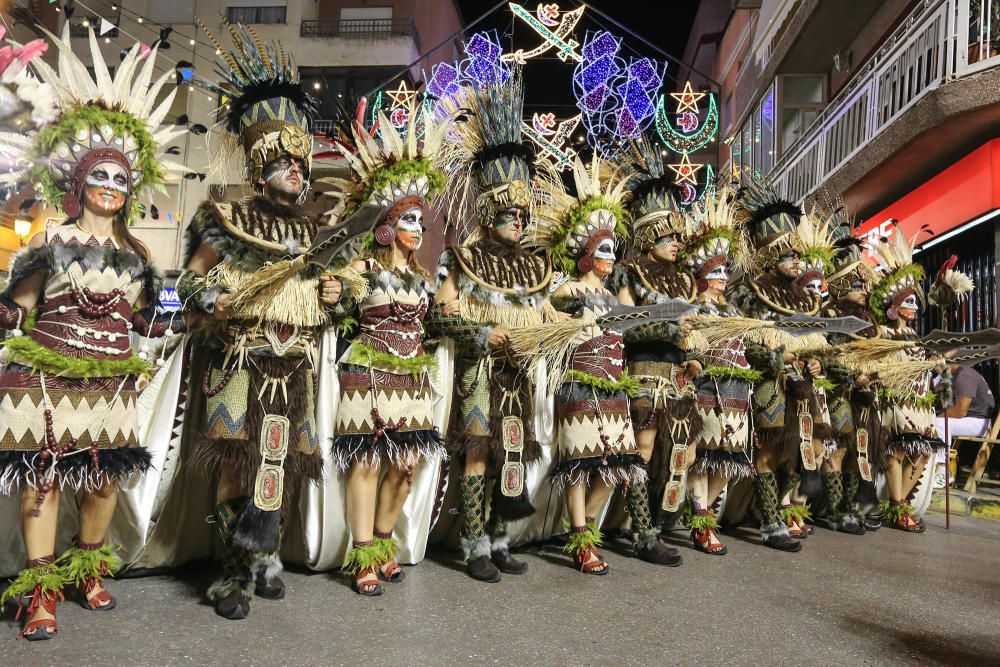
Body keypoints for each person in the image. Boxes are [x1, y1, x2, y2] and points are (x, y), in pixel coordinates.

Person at [0, 28, 181, 640]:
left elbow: (145, 322)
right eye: (99, 177)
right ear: (79, 181)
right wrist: (6, 315)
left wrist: (175, 313)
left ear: (131, 191)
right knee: (43, 481)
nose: (110, 188)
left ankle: (87, 567)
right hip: (46, 378)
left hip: (110, 381)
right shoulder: (48, 241)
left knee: (103, 480)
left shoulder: (136, 255)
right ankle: (41, 589)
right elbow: (18, 306)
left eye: (120, 181)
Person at [176, 27, 340, 619]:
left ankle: (265, 554)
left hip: (295, 363)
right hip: (239, 360)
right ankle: (230, 573)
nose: (296, 170)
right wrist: (213, 300)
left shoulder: (317, 231)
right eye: (283, 161)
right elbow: (189, 279)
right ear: (258, 164)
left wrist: (334, 290)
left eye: (300, 161)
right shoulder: (227, 218)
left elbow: (336, 302)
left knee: (281, 463)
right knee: (237, 464)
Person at [430, 72, 556, 582]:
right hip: (479, 372)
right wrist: (483, 336)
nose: (519, 224)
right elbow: (440, 314)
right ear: (487, 211)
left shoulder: (535, 265)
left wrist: (553, 331)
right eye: (509, 215)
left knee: (513, 453)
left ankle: (502, 538)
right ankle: (474, 544)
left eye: (523, 216)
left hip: (518, 375)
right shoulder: (458, 258)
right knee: (479, 453)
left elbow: (546, 316)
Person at [326, 105, 450, 596]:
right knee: (368, 462)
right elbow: (336, 314)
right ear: (387, 223)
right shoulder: (360, 269)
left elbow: (440, 322)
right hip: (369, 373)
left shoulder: (424, 278)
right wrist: (332, 297)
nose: (418, 228)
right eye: (409, 219)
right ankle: (361, 555)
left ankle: (383, 543)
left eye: (422, 220)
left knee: (406, 466)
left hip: (412, 377)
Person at [526, 154, 644, 574]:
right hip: (579, 383)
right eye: (604, 250)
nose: (611, 257)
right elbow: (543, 309)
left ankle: (585, 527)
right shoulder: (569, 289)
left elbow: (630, 325)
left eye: (614, 249)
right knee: (580, 466)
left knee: (617, 466)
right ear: (587, 253)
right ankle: (580, 537)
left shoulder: (615, 297)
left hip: (613, 386)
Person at [610, 138, 696, 566]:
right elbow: (624, 325)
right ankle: (642, 533)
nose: (677, 243)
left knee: (682, 449)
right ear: (646, 235)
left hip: (678, 375)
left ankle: (658, 522)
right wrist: (669, 326)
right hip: (644, 370)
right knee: (642, 449)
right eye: (668, 235)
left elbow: (692, 330)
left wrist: (693, 353)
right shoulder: (627, 271)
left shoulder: (685, 282)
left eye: (678, 236)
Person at [730, 182, 826, 552]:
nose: (796, 262)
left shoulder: (805, 296)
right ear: (771, 256)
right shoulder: (749, 292)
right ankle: (770, 522)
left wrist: (818, 360)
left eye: (798, 256)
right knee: (771, 452)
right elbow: (742, 342)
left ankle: (775, 509)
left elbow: (820, 339)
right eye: (788, 256)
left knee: (807, 448)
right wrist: (774, 357)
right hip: (771, 383)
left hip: (803, 384)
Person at [681, 188, 756, 555]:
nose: (723, 277)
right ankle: (701, 519)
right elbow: (691, 343)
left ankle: (703, 514)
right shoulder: (694, 307)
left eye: (725, 271)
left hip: (738, 392)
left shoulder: (732, 311)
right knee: (705, 457)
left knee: (729, 460)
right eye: (716, 271)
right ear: (702, 274)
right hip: (709, 390)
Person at [869, 226, 946, 532]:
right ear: (893, 307)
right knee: (897, 451)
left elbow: (923, 363)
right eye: (907, 303)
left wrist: (936, 363)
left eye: (914, 302)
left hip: (919, 403)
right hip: (896, 401)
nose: (913, 308)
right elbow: (882, 366)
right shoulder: (884, 333)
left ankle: (900, 504)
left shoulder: (915, 335)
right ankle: (899, 508)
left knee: (923, 453)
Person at [934, 361, 994, 488]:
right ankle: (932, 468)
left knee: (939, 423)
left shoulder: (965, 376)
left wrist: (936, 416)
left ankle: (943, 471)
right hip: (972, 419)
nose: (937, 370)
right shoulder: (957, 375)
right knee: (936, 422)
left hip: (978, 422)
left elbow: (960, 411)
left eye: (937, 367)